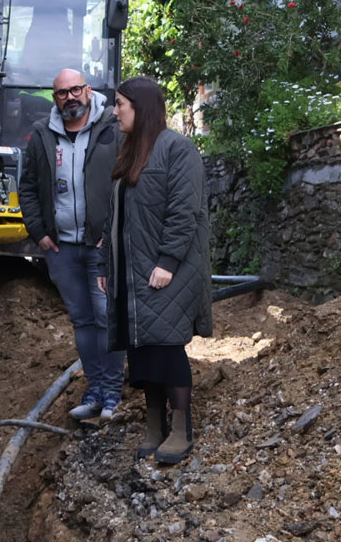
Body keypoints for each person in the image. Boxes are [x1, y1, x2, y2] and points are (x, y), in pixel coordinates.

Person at [97, 76, 212, 465]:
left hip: (167, 270)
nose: (115, 112)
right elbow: (116, 217)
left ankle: (181, 430)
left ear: (140, 107)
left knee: (167, 348)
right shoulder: (130, 151)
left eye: (120, 105)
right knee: (143, 351)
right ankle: (153, 426)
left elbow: (185, 213)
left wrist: (167, 262)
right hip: (133, 272)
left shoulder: (179, 150)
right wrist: (105, 264)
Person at [21, 68, 125, 421]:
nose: (70, 97)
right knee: (82, 321)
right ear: (55, 98)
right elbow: (28, 188)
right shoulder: (42, 136)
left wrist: (112, 232)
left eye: (75, 89)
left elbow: (128, 183)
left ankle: (113, 393)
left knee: (105, 318)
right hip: (61, 249)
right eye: (62, 93)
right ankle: (95, 391)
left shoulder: (112, 128)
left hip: (101, 247)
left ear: (88, 89)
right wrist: (39, 232)